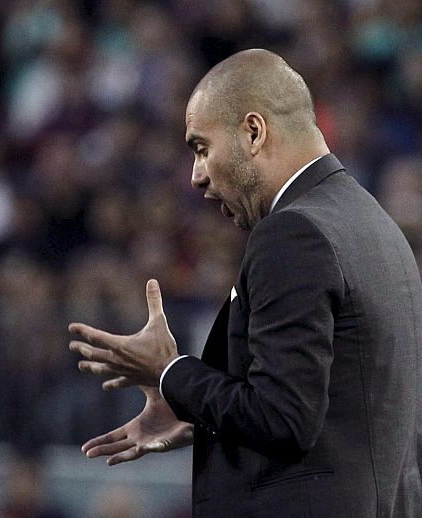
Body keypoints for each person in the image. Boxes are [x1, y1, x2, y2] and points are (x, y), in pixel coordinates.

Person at [69, 48, 422, 517]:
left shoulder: (294, 233)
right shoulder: (376, 226)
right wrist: (195, 411)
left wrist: (171, 372)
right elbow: (335, 409)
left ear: (253, 132)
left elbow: (284, 418)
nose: (196, 176)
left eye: (201, 148)